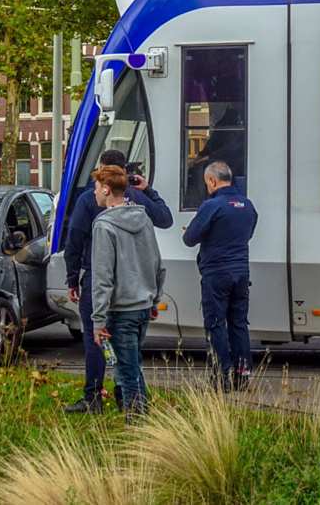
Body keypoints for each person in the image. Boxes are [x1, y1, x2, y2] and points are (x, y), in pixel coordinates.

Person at [64, 149, 172, 414]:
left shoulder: (99, 215)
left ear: (105, 184)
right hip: (140, 297)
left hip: (111, 294)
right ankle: (124, 399)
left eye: (98, 183)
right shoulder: (140, 207)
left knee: (97, 341)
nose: (94, 189)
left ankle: (98, 400)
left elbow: (78, 244)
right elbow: (160, 245)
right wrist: (154, 298)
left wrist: (72, 278)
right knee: (130, 358)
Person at [89, 165, 165, 419]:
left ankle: (139, 426)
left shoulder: (103, 226)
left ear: (107, 189)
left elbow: (102, 278)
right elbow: (157, 265)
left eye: (97, 188)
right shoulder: (143, 219)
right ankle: (135, 418)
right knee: (130, 366)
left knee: (128, 370)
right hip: (143, 307)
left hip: (120, 310)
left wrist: (98, 320)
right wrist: (154, 300)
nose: (94, 193)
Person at [183, 161, 259, 390]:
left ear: (212, 181)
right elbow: (247, 233)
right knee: (238, 323)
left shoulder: (211, 205)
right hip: (241, 273)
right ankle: (242, 373)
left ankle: (221, 375)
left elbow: (189, 240)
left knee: (215, 324)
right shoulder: (247, 205)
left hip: (216, 273)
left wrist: (198, 231)